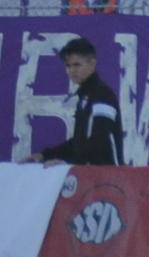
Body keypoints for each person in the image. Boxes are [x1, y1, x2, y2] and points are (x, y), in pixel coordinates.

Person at [31, 37, 124, 166]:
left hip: (108, 173)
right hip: (92, 172)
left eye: (77, 65)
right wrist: (44, 155)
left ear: (92, 64)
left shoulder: (103, 95)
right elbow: (80, 142)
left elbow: (100, 139)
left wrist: (67, 162)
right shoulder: (85, 96)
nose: (71, 71)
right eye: (68, 66)